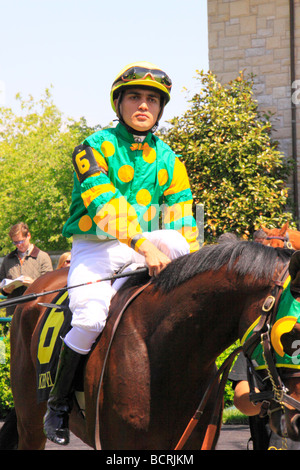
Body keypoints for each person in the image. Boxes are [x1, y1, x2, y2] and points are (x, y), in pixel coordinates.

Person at [43, 61, 200, 445]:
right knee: (90, 320)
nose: (143, 105)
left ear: (160, 109)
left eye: (152, 99)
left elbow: (181, 218)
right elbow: (104, 205)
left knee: (185, 251)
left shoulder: (169, 159)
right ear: (119, 103)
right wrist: (146, 246)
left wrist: (195, 268)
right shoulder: (92, 147)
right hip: (97, 249)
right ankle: (58, 405)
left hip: (145, 250)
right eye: (134, 97)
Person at [0, 222, 53, 315]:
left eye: (21, 241)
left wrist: (33, 284)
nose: (19, 245)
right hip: (13, 311)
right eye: (15, 242)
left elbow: (50, 286)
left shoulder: (43, 257)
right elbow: (1, 282)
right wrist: (4, 290)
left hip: (35, 310)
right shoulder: (8, 259)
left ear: (28, 236)